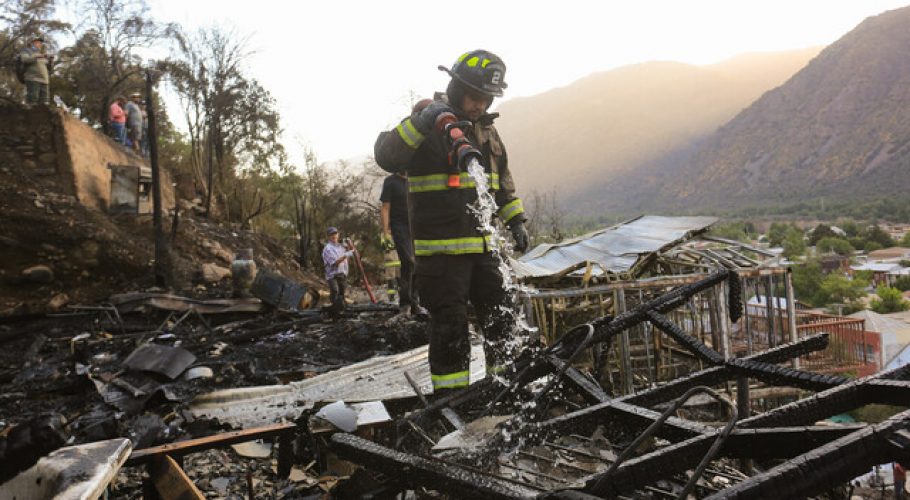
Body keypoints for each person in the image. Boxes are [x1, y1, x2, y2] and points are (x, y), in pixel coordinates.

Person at [374, 49, 530, 393]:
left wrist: (516, 219)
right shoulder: (428, 123)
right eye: (476, 96)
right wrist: (424, 120)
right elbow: (387, 155)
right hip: (441, 254)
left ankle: (504, 391)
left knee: (502, 319)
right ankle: (452, 402)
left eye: (488, 99)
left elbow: (501, 181)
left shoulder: (487, 131)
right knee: (451, 328)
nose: (481, 105)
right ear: (457, 87)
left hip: (484, 250)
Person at [379, 171, 426, 317]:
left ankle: (415, 303)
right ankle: (405, 304)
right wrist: (386, 232)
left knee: (417, 263)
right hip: (399, 227)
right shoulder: (390, 181)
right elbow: (385, 207)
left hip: (416, 226)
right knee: (408, 261)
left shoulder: (414, 179)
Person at [322, 226, 354, 318]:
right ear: (328, 236)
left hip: (342, 274)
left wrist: (349, 247)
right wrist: (346, 255)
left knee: (342, 295)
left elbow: (352, 253)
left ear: (338, 234)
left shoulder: (341, 247)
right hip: (333, 275)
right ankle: (335, 314)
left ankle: (341, 312)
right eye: (331, 234)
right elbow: (335, 263)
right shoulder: (327, 249)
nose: (334, 236)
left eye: (335, 234)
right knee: (335, 292)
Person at [19, 35, 53, 105]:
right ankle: (29, 115)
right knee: (32, 100)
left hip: (45, 81)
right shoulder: (26, 51)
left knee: (45, 102)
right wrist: (38, 56)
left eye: (40, 43)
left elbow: (49, 68)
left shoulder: (41, 54)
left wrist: (51, 60)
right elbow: (25, 60)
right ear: (31, 43)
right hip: (33, 79)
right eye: (37, 42)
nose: (40, 44)